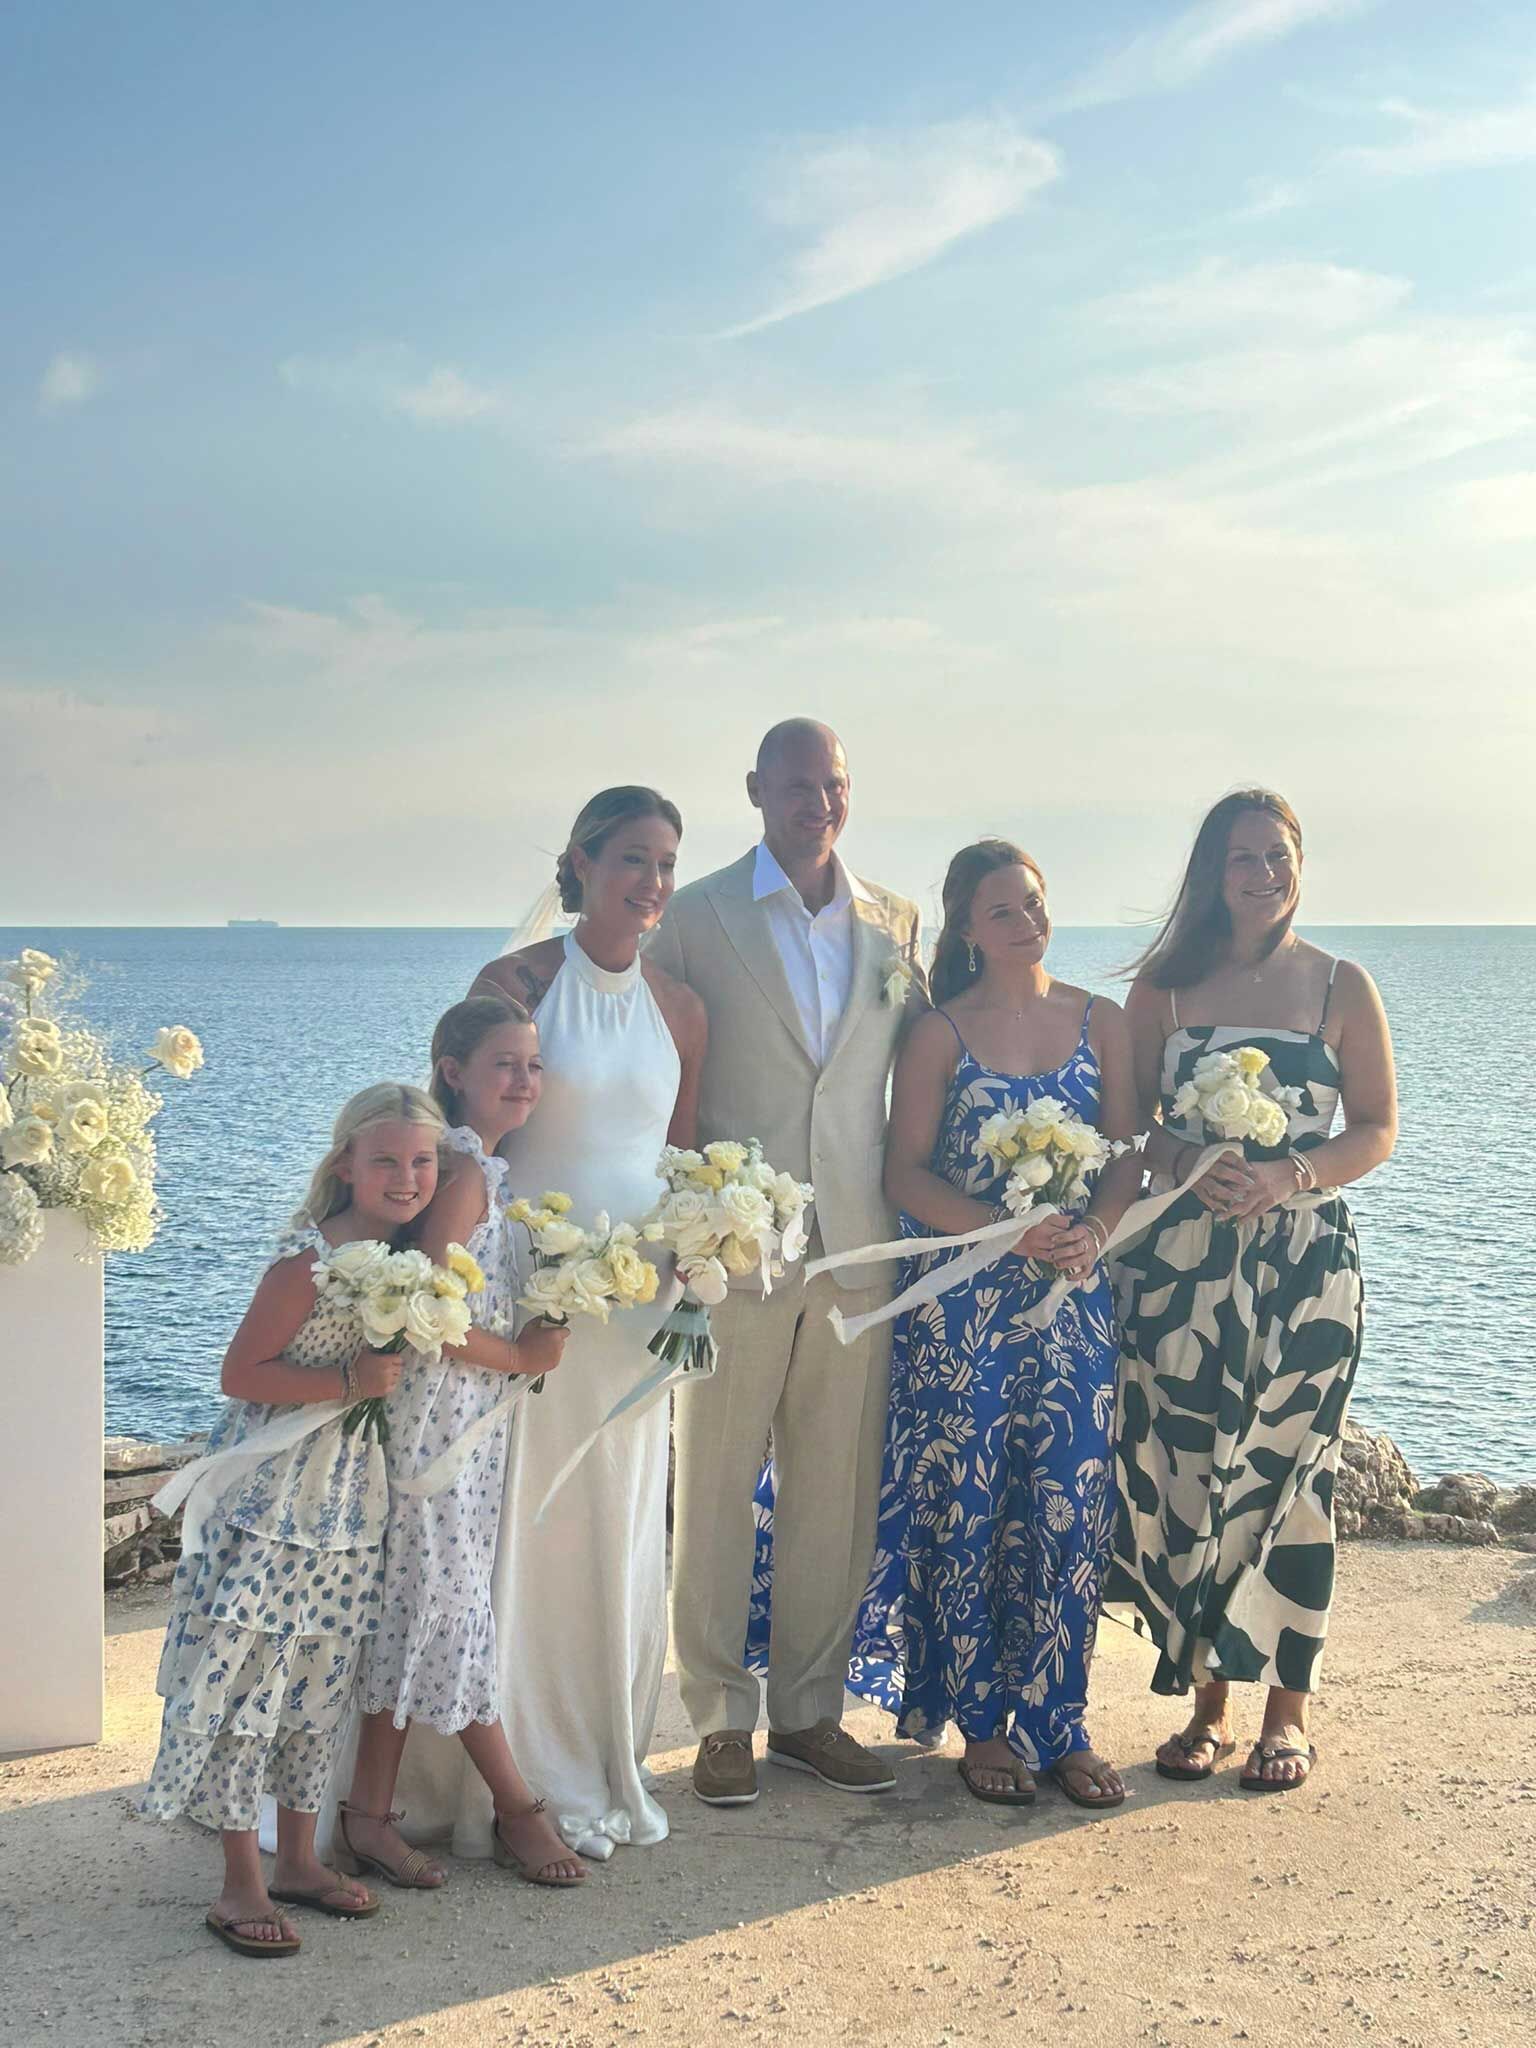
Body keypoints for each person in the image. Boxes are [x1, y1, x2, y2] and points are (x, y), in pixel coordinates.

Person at [647, 719, 924, 1808]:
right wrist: (678, 1231)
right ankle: (719, 1713)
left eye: (836, 783)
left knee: (835, 1488)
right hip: (736, 1253)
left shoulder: (896, 921)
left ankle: (811, 1710)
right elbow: (661, 1071)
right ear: (757, 789)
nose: (820, 801)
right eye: (800, 783)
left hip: (859, 1246)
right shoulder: (696, 915)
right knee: (712, 1484)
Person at [1114, 790, 1397, 1792]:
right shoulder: (1166, 988)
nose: (1263, 872)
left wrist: (1292, 1173)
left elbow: (1375, 1125)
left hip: (1304, 1272)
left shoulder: (1339, 984)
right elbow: (1132, 1128)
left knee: (1292, 1477)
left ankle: (1289, 1710)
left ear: (1298, 864)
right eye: (1243, 856)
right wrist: (1189, 1155)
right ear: (1212, 870)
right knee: (1193, 1475)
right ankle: (1207, 1704)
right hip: (1184, 1271)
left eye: (1278, 855)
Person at [854, 839, 1140, 1808]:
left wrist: (1094, 1230)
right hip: (965, 1308)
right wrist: (1008, 1234)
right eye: (1005, 909)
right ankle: (981, 1722)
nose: (1029, 920)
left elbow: (1130, 1153)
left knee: (1067, 1501)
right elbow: (906, 1174)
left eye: (1036, 900)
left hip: (1073, 1303)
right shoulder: (938, 1031)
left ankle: (1060, 1720)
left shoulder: (1102, 1018)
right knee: (968, 1508)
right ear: (969, 930)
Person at [141, 1084, 446, 1956]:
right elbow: (243, 1373)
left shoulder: (406, 1261)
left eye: (421, 1161)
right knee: (252, 1685)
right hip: (271, 1502)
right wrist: (351, 1383)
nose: (405, 1176)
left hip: (350, 1502)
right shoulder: (306, 1261)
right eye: (385, 1158)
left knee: (321, 1679)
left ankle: (302, 1862)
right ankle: (241, 1883)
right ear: (345, 1163)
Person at [460, 786, 705, 1858]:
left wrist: (706, 1248)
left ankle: (602, 1757)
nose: (650, 881)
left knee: (614, 1526)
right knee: (520, 1528)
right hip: (534, 1305)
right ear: (582, 861)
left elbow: (685, 1159)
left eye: (665, 862)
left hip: (635, 1316)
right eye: (631, 858)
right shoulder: (517, 983)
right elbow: (475, 1138)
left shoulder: (685, 1007)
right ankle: (510, 1780)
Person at [340, 997, 581, 1891]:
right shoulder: (466, 1172)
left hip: (473, 1421)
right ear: (454, 1071)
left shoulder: (490, 1168)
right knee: (446, 1606)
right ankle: (517, 1807)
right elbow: (431, 1315)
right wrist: (519, 1352)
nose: (524, 1081)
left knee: (415, 1610)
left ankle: (368, 1815)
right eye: (504, 1065)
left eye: (533, 1065)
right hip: (439, 1417)